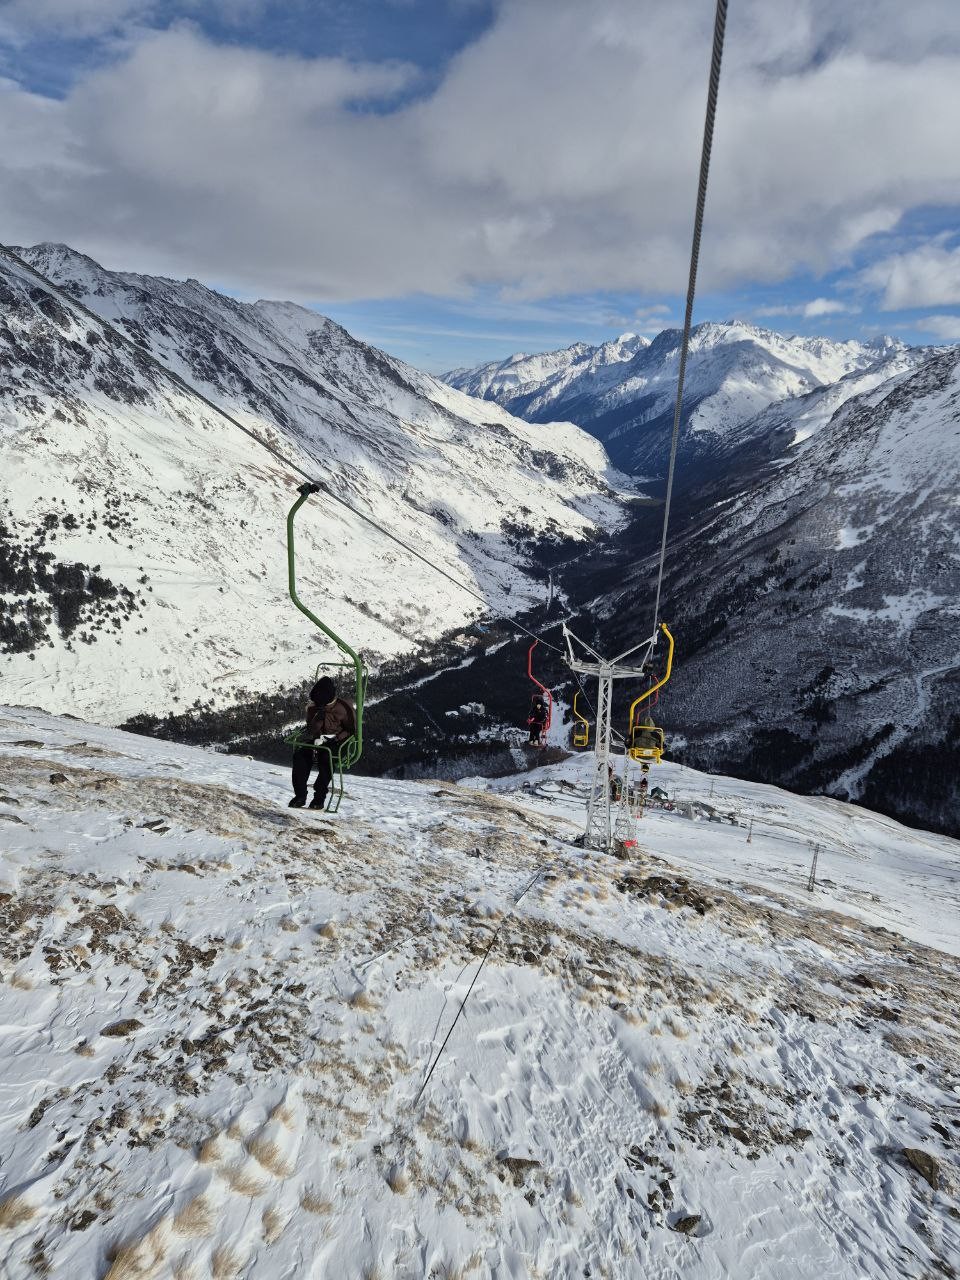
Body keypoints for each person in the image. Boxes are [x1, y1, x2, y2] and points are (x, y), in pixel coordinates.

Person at [289, 676, 356, 809]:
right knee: (300, 755)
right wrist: (317, 717)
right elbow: (311, 729)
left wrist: (335, 739)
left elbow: (352, 730)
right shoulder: (313, 708)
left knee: (327, 757)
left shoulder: (343, 708)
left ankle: (319, 798)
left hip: (339, 741)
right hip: (318, 739)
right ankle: (300, 795)